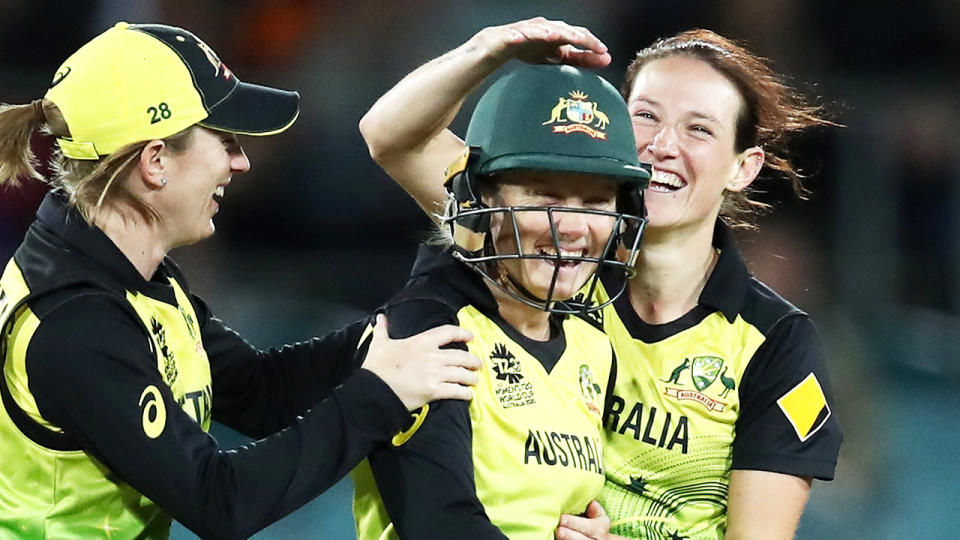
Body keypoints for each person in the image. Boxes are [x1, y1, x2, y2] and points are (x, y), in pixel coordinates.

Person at [357, 17, 843, 540]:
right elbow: (390, 138)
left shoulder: (773, 341)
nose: (661, 145)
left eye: (699, 128)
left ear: (743, 167)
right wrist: (488, 51)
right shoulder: (547, 249)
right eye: (645, 116)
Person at [0, 22, 481, 539]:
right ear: (156, 161)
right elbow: (220, 501)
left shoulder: (115, 267)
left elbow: (258, 392)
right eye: (225, 140)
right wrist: (381, 394)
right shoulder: (74, 323)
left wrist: (394, 333)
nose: (241, 161)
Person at [351, 63, 650, 539]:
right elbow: (440, 527)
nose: (572, 228)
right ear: (478, 202)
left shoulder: (592, 343)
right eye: (543, 198)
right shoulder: (428, 332)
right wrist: (491, 48)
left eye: (596, 203)